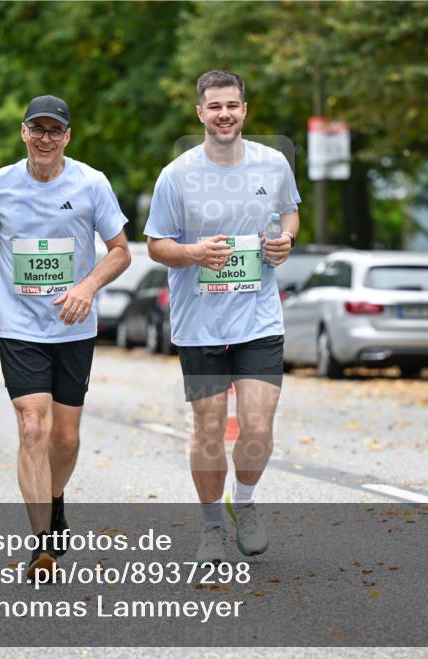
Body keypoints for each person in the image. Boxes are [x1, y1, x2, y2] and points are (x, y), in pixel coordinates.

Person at [0, 94, 130, 581]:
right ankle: (41, 546)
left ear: (68, 137)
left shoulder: (92, 184)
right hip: (21, 328)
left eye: (56, 130)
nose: (46, 138)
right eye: (38, 129)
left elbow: (120, 251)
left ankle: (55, 501)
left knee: (66, 437)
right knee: (33, 427)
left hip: (74, 327)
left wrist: (87, 285)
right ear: (24, 132)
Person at [144, 70, 300, 563]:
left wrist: (285, 240)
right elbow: (155, 245)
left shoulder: (273, 165)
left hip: (258, 316)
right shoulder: (177, 175)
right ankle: (212, 524)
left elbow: (290, 212)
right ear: (200, 113)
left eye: (232, 105)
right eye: (215, 106)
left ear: (245, 110)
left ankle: (245, 502)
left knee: (257, 427)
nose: (224, 114)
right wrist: (192, 253)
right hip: (200, 323)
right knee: (209, 429)